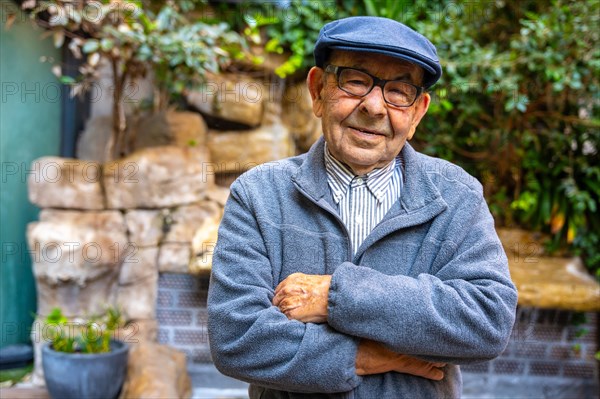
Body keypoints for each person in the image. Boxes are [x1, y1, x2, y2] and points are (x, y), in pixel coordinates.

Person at [208, 16, 517, 398]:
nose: (373, 106)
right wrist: (364, 356)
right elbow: (236, 340)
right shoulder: (259, 193)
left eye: (398, 91)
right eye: (355, 80)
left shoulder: (455, 195)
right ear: (318, 90)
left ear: (418, 112)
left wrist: (336, 296)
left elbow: (488, 322)